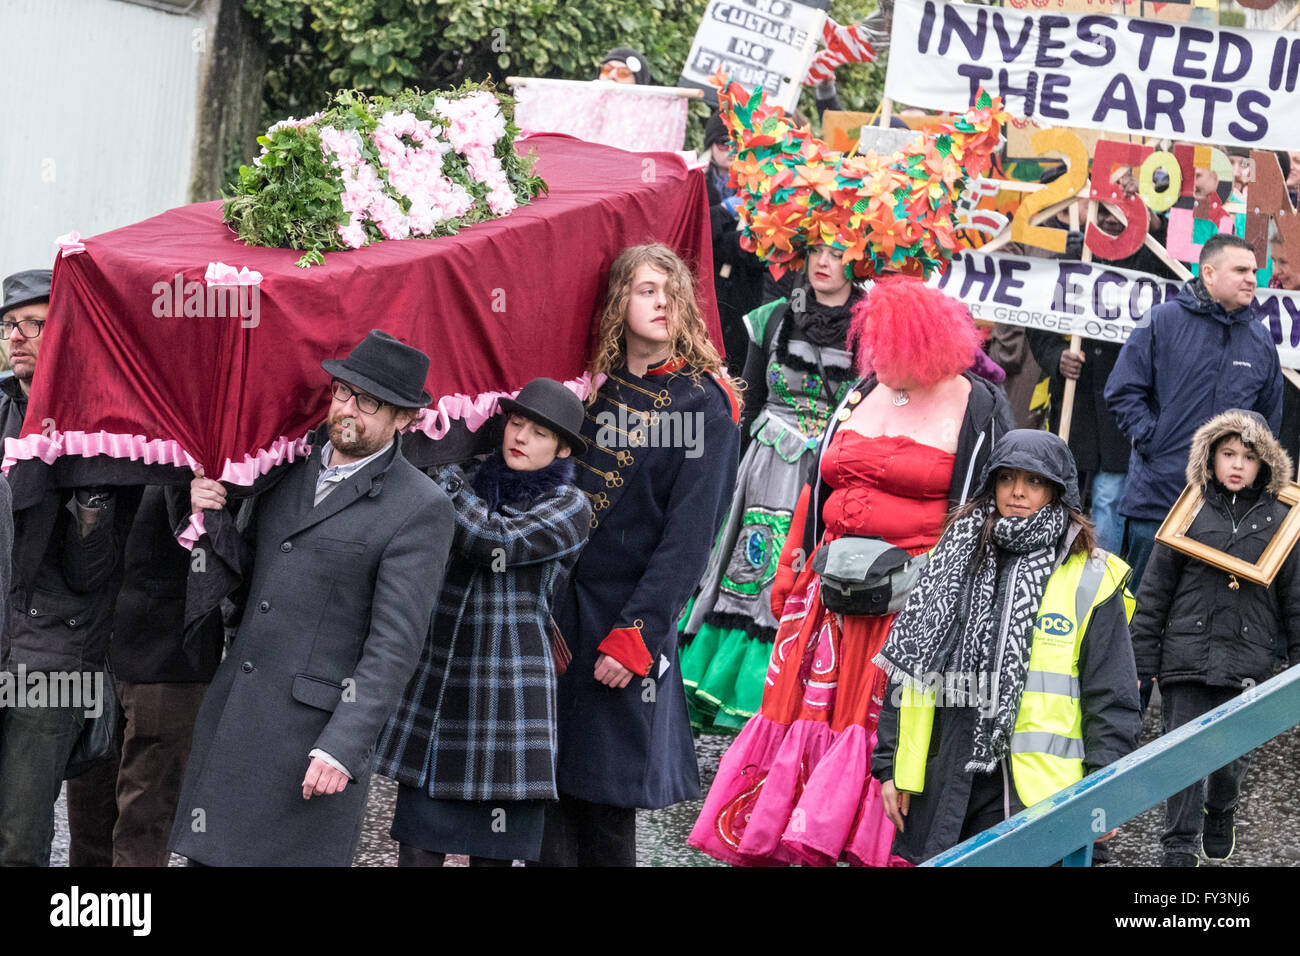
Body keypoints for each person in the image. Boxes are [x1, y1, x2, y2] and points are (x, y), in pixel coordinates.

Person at [690, 279, 1014, 867]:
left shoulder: (980, 406)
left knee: (882, 737)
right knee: (807, 725)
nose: (876, 357)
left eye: (893, 346)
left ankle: (866, 845)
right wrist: (793, 570)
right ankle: (800, 839)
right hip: (827, 603)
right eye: (874, 344)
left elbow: (988, 509)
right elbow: (819, 485)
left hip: (911, 608)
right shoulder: (863, 390)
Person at [169, 329, 455, 866]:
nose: (349, 408)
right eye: (344, 392)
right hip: (236, 717)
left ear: (404, 419)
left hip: (311, 741)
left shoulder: (421, 507)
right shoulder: (283, 470)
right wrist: (212, 517)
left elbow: (393, 649)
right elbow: (255, 575)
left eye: (370, 402)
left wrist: (343, 746)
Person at [537, 244, 741, 866]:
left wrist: (638, 634)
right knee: (548, 799)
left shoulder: (705, 402)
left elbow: (689, 539)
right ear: (618, 302)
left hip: (623, 622)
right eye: (647, 291)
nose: (661, 304)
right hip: (562, 615)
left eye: (671, 293)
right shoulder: (594, 388)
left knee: (604, 805)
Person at [871, 429, 1140, 863]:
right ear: (989, 485)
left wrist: (1106, 788)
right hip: (949, 779)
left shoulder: (1090, 576)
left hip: (1039, 791)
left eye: (1033, 481)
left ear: (1057, 491)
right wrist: (889, 766)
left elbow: (1112, 694)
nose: (1017, 492)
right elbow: (907, 671)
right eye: (1006, 478)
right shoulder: (950, 557)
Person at [375, 377, 592, 866]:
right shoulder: (469, 479)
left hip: (507, 695)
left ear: (560, 449)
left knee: (492, 857)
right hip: (439, 685)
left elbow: (494, 542)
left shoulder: (569, 506)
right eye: (517, 423)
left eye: (539, 433)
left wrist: (442, 471)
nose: (521, 437)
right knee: (416, 851)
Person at [680, 244, 863, 732]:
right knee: (753, 572)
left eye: (839, 252)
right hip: (768, 467)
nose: (823, 262)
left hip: (832, 472)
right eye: (816, 250)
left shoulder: (872, 329)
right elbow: (748, 398)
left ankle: (803, 692)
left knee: (812, 574)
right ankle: (737, 691)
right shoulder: (772, 317)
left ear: (860, 260)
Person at [1132, 410, 1300, 867]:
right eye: (1228, 453)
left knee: (1230, 758)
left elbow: (1295, 598)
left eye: (1248, 456)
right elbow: (1154, 591)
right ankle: (1178, 845)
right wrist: (1141, 660)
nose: (1237, 464)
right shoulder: (1189, 510)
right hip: (1185, 655)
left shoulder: (1282, 520)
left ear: (1264, 463)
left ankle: (1221, 807)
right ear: (1210, 455)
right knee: (1181, 754)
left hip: (1247, 660)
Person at [0, 268, 127, 867]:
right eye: (8, 326)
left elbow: (90, 573)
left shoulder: (102, 430)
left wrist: (91, 498)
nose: (17, 336)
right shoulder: (1, 408)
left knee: (20, 841)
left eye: (33, 324)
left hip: (50, 661)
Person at [1105, 233, 1283, 591]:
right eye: (1240, 270)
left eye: (1254, 271)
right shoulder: (1161, 321)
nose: (1252, 278)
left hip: (1224, 511)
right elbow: (1122, 390)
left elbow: (1268, 424)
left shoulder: (1261, 340)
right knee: (1140, 606)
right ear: (1209, 273)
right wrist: (1152, 440)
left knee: (1200, 614)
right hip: (1158, 500)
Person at [64, 486, 224, 866]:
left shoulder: (207, 446)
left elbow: (219, 549)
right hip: (99, 648)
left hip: (172, 658)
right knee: (87, 819)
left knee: (145, 824)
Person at [703, 110, 768, 376]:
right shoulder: (695, 181)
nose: (730, 150)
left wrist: (726, 240)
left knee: (739, 368)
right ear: (710, 145)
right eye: (722, 143)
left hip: (745, 293)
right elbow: (694, 231)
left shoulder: (759, 186)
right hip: (705, 290)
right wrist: (724, 212)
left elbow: (760, 247)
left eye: (737, 144)